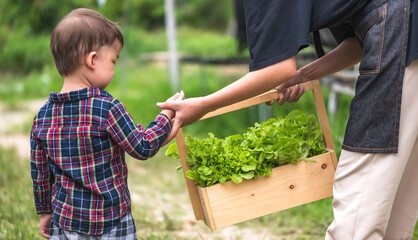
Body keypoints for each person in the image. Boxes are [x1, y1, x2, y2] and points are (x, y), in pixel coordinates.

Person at [158, 0, 418, 239]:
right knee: (395, 208)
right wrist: (302, 76)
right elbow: (356, 44)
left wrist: (203, 106)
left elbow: (277, 69)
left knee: (358, 205)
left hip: (401, 33)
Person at [30, 8, 183, 239]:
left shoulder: (42, 117)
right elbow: (142, 146)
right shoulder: (107, 108)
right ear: (92, 60)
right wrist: (167, 116)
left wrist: (44, 211)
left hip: (65, 223)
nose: (114, 68)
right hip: (111, 221)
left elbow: (40, 173)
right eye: (113, 60)